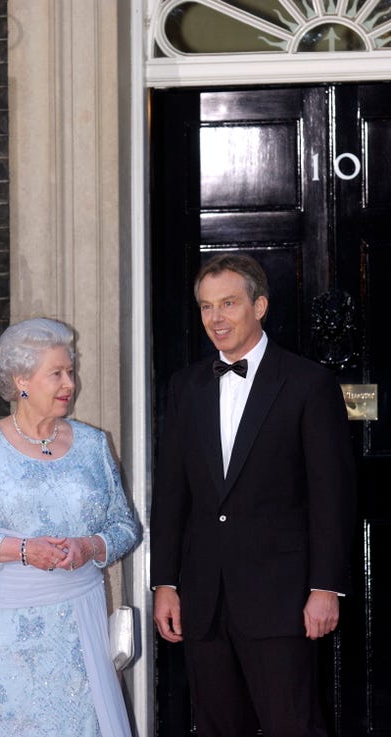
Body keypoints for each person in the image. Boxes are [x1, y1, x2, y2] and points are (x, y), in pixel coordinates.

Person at [150, 253, 356, 737]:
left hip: (281, 597)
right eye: (205, 307)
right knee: (218, 727)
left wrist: (325, 587)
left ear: (259, 306)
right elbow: (172, 492)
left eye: (228, 304)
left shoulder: (309, 383)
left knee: (294, 725)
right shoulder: (186, 386)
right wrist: (165, 582)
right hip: (203, 599)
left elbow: (332, 495)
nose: (215, 319)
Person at [0, 317, 139, 737]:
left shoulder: (93, 444)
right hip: (4, 627)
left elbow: (125, 527)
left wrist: (90, 546)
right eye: (57, 373)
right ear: (21, 379)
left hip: (79, 620)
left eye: (71, 371)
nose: (69, 383)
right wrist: (23, 549)